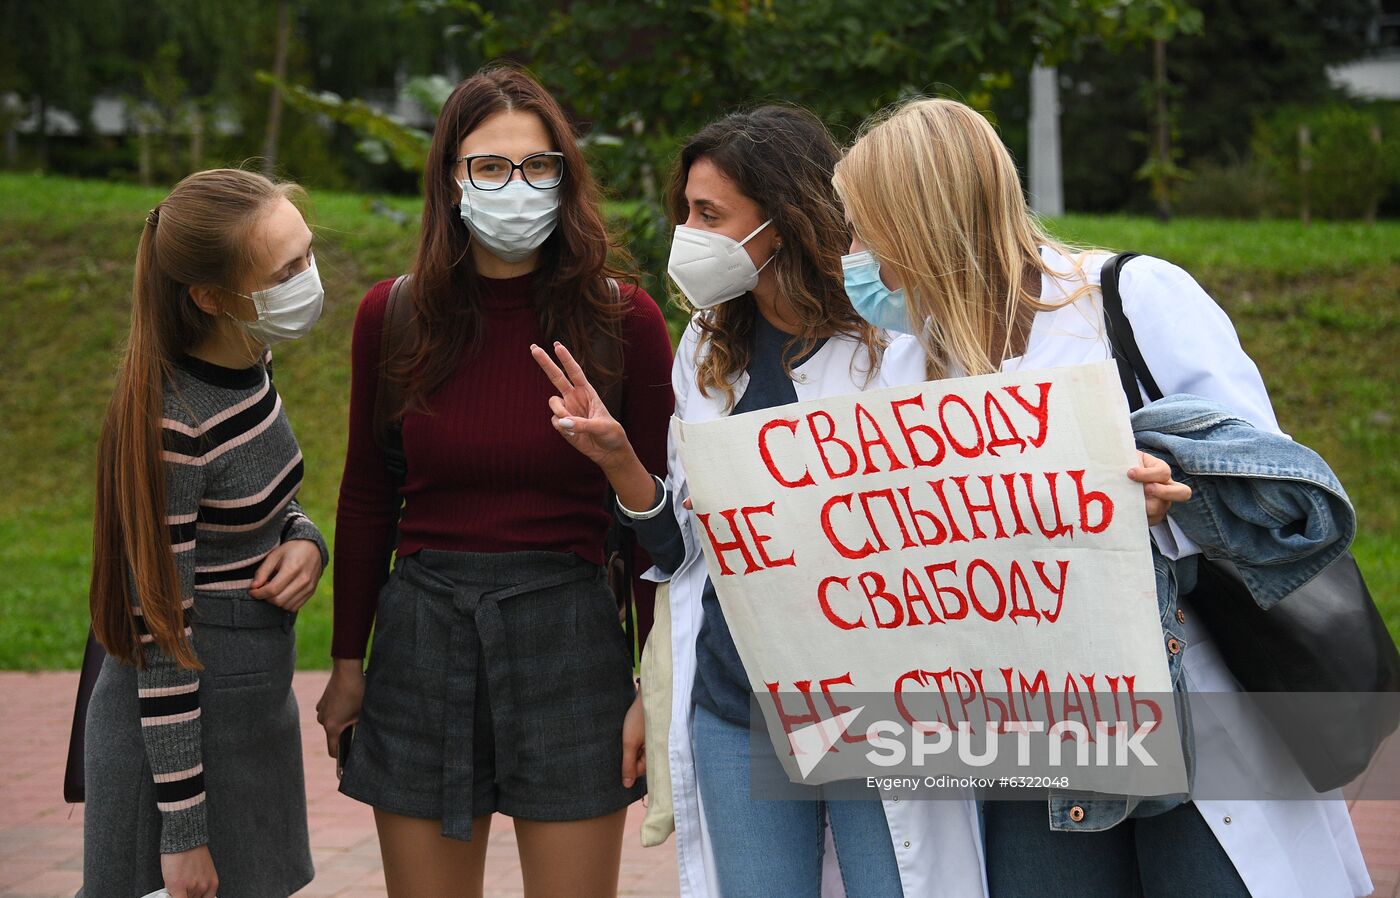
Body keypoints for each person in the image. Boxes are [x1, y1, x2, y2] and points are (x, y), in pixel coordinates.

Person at [833, 96, 1373, 898]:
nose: (856, 256)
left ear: (922, 225)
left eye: (864, 230)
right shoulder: (910, 368)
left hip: (1190, 706)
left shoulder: (1129, 299)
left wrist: (1173, 500)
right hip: (1028, 740)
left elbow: (1278, 495)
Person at [533, 105, 988, 898]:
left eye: (710, 215)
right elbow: (683, 552)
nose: (689, 232)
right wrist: (619, 463)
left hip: (876, 707)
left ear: (781, 221)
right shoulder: (708, 345)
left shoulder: (898, 344)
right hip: (737, 703)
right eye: (687, 212)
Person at [316, 66, 674, 898]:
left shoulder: (625, 322)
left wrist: (653, 685)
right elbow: (369, 493)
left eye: (538, 166)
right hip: (421, 639)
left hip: (572, 641)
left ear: (565, 176)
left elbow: (661, 522)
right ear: (451, 179)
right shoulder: (394, 315)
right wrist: (346, 660)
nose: (516, 186)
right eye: (489, 167)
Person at [82, 168, 329, 898]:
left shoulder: (250, 360)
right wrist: (183, 838)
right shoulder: (170, 425)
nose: (309, 279)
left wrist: (306, 538)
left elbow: (263, 500)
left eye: (307, 254)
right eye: (286, 270)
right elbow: (161, 642)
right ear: (212, 297)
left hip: (250, 720)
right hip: (175, 756)